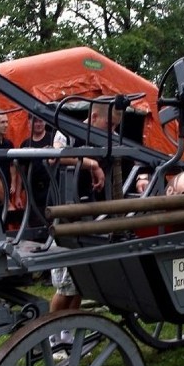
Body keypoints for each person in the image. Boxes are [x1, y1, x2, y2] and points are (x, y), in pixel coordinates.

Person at [50, 102, 125, 315]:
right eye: (109, 125)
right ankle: (53, 338)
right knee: (65, 285)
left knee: (80, 282)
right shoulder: (66, 132)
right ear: (93, 118)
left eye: (115, 126)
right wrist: (92, 165)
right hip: (66, 214)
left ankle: (66, 334)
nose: (112, 131)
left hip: (89, 214)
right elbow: (56, 155)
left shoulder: (108, 138)